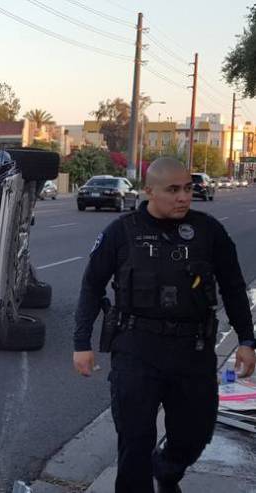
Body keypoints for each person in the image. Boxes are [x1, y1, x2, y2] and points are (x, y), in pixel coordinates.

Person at [72, 157, 256, 493]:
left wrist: (246, 339)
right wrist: (81, 343)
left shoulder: (208, 231)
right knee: (134, 442)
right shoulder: (121, 232)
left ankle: (168, 469)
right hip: (136, 350)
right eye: (173, 190)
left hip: (193, 351)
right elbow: (91, 286)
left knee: (195, 434)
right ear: (149, 191)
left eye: (187, 188)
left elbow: (233, 285)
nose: (184, 197)